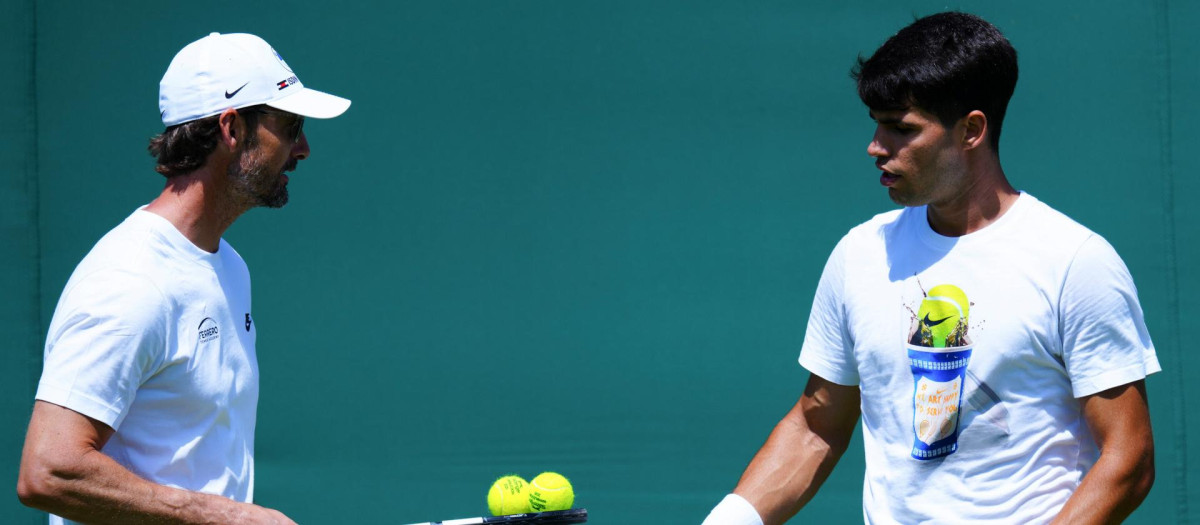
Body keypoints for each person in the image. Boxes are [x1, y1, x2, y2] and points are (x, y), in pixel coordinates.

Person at [703, 11, 1158, 524]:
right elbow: (816, 428)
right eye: (876, 124)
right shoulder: (859, 254)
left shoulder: (1076, 262)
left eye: (901, 129)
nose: (876, 147)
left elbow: (1129, 458)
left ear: (971, 130)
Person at [17, 32, 350, 524]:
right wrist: (231, 518)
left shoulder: (229, 266)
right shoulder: (130, 281)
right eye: (290, 125)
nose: (302, 147)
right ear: (231, 128)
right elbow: (48, 470)